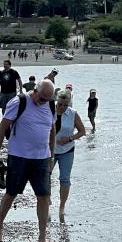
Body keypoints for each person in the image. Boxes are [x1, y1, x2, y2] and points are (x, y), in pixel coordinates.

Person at [0, 79, 56, 242]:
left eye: (47, 100)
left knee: (44, 196)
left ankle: (42, 236)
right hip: (19, 157)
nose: (43, 102)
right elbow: (2, 128)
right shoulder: (19, 102)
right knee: (11, 193)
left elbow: (52, 131)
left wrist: (51, 156)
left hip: (41, 159)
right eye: (41, 98)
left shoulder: (51, 106)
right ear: (35, 92)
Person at [51, 89, 86, 221]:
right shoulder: (49, 111)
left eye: (65, 105)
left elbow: (82, 131)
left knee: (65, 179)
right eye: (60, 104)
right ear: (56, 101)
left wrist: (70, 138)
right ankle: (47, 201)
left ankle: (62, 207)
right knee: (45, 176)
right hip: (50, 150)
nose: (62, 107)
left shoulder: (72, 114)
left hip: (67, 150)